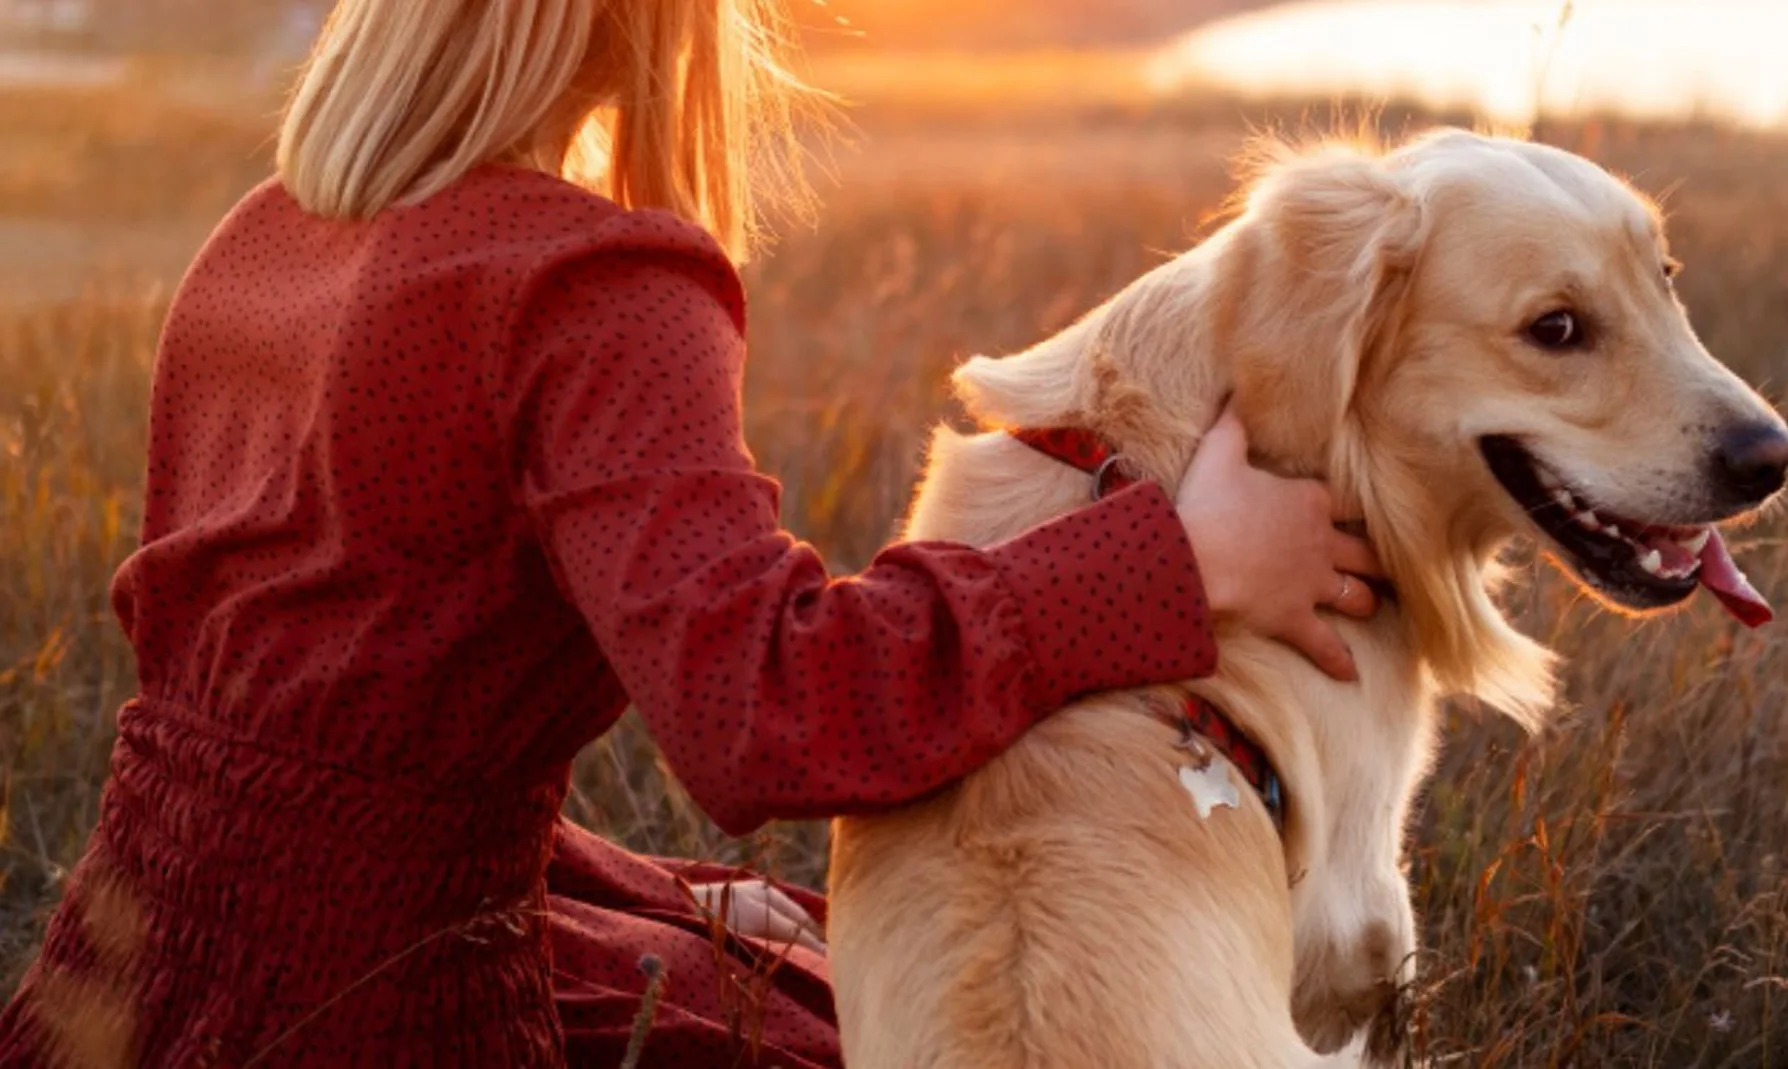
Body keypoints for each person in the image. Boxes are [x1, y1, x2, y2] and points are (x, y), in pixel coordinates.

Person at [0, 2, 1385, 1066]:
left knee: (786, 947)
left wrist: (670, 898)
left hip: (121, 974)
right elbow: (766, 711)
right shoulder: (590, 283)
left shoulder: (266, 237)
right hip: (386, 1016)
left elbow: (328, 759)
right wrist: (1180, 560)